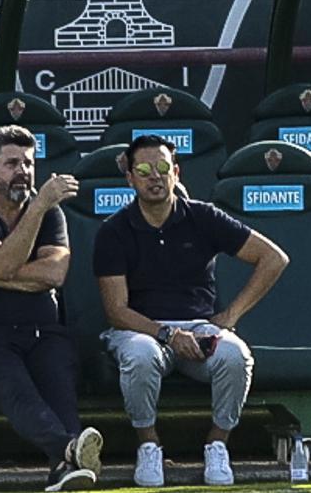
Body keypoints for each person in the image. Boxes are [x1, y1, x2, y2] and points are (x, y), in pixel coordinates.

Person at [93, 135, 289, 487]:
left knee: (235, 355)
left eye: (163, 168)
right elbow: (116, 311)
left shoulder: (203, 216)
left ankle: (217, 445)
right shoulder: (113, 231)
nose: (154, 176)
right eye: (144, 169)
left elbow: (273, 258)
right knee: (140, 355)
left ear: (176, 172)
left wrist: (229, 317)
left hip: (199, 328)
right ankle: (149, 446)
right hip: (139, 330)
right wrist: (168, 334)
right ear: (130, 179)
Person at [0, 125, 103, 492]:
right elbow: (3, 263)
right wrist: (40, 205)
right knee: (18, 391)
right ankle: (69, 450)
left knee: (59, 386)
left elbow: (54, 274)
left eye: (28, 163)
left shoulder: (52, 216)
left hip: (41, 329)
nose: (23, 171)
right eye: (12, 163)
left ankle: (65, 467)